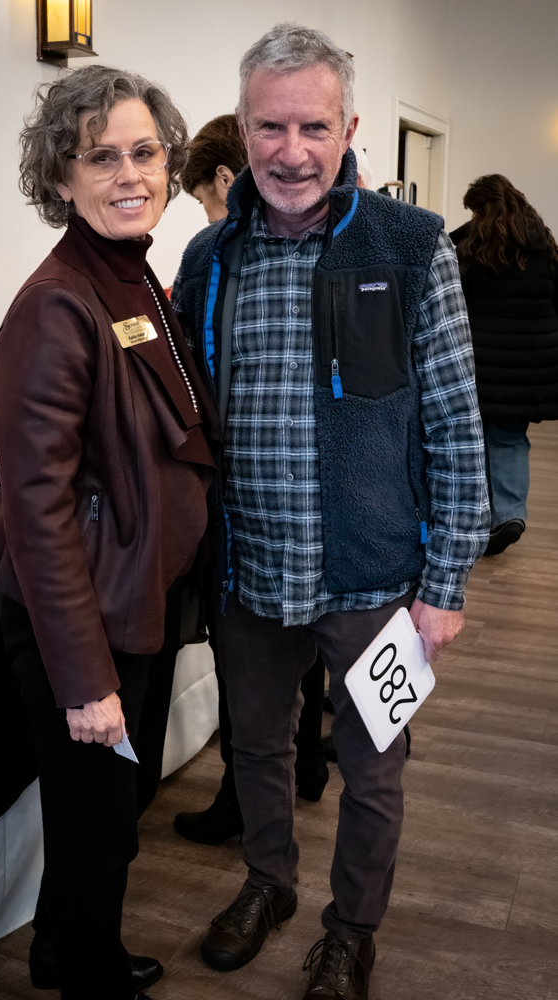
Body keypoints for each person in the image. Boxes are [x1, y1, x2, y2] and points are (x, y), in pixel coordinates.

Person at [172, 23, 489, 1000]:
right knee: (255, 746)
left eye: (314, 126)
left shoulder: (410, 245)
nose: (291, 150)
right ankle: (268, 882)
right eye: (270, 127)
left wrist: (445, 584)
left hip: (375, 578)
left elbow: (454, 420)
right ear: (243, 129)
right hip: (249, 574)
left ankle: (351, 930)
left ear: (348, 129)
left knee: (374, 767)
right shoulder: (210, 256)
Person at [0, 64, 218, 1000]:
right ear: (59, 177)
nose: (131, 175)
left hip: (136, 598)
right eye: (100, 157)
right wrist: (84, 681)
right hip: (85, 619)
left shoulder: (131, 270)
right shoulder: (57, 302)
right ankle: (85, 973)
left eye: (145, 152)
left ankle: (58, 948)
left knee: (111, 812)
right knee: (97, 822)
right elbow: (37, 512)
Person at [174, 113, 330, 847]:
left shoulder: (229, 260)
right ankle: (303, 767)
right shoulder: (218, 259)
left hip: (254, 509)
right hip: (292, 516)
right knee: (292, 646)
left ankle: (251, 793)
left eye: (204, 200)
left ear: (223, 179)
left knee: (259, 658)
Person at [450, 175, 558, 555]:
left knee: (477, 439)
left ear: (482, 208)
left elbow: (455, 298)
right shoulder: (543, 244)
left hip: (483, 363)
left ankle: (482, 516)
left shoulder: (474, 248)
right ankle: (509, 513)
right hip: (531, 366)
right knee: (510, 437)